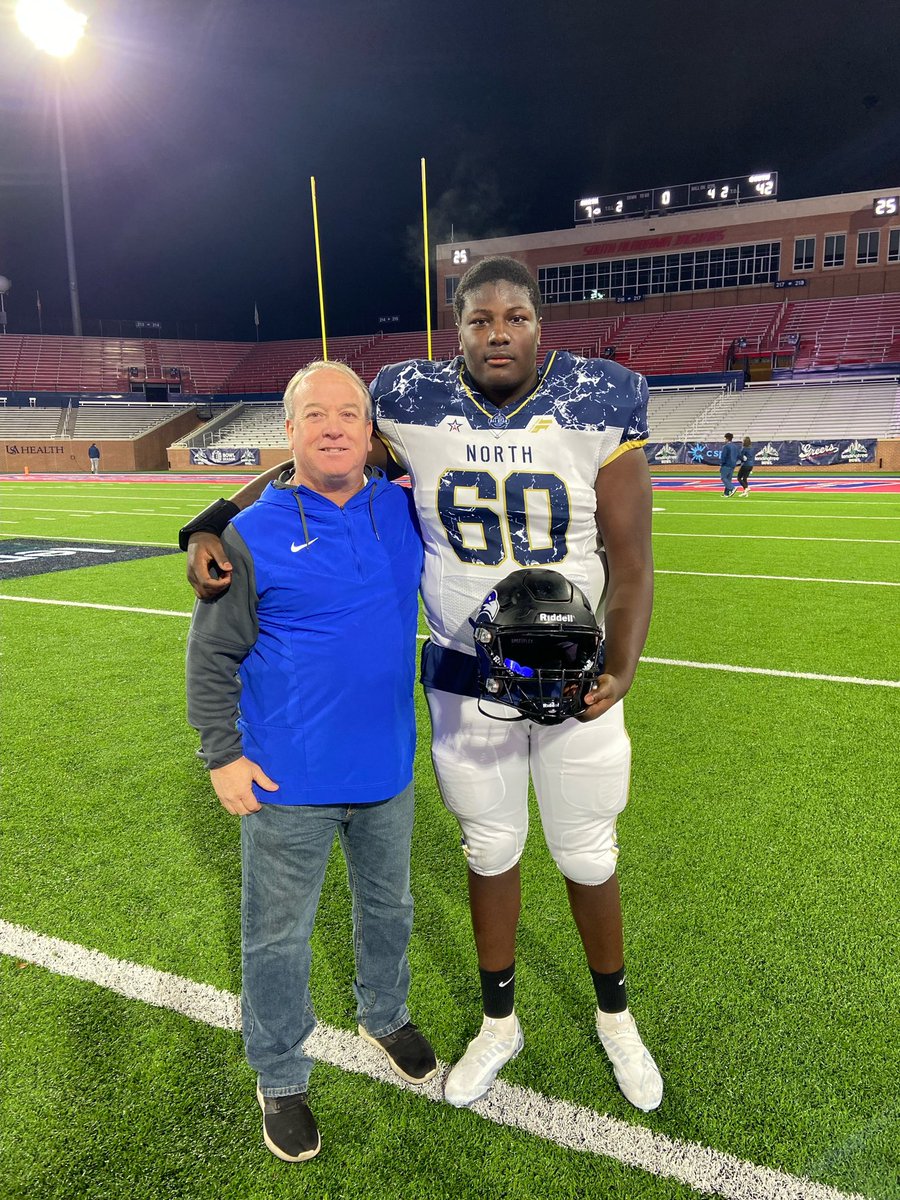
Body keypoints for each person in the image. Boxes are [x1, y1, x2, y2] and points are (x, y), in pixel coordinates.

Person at [181, 256, 663, 1114]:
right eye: (480, 319)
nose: (498, 332)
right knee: (490, 849)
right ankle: (499, 1023)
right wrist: (212, 519)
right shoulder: (411, 396)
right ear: (458, 328)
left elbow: (632, 561)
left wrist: (619, 668)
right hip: (463, 681)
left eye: (514, 316)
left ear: (539, 323)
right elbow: (324, 440)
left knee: (588, 851)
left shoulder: (603, 394)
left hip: (570, 678)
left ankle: (616, 1019)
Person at [186, 360, 435, 1164]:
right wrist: (222, 755)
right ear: (287, 431)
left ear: (371, 431)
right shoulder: (244, 536)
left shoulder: (405, 510)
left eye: (350, 414)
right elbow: (210, 658)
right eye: (315, 414)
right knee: (276, 939)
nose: (334, 427)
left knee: (389, 911)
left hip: (388, 771)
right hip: (287, 781)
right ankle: (282, 1075)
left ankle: (383, 1013)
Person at [719, 432, 740, 497]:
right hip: (733, 464)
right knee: (728, 479)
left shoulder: (726, 446)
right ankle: (726, 493)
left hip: (726, 464)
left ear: (727, 439)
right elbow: (739, 455)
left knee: (723, 478)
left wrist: (722, 464)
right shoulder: (735, 446)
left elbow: (723, 456)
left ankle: (732, 488)